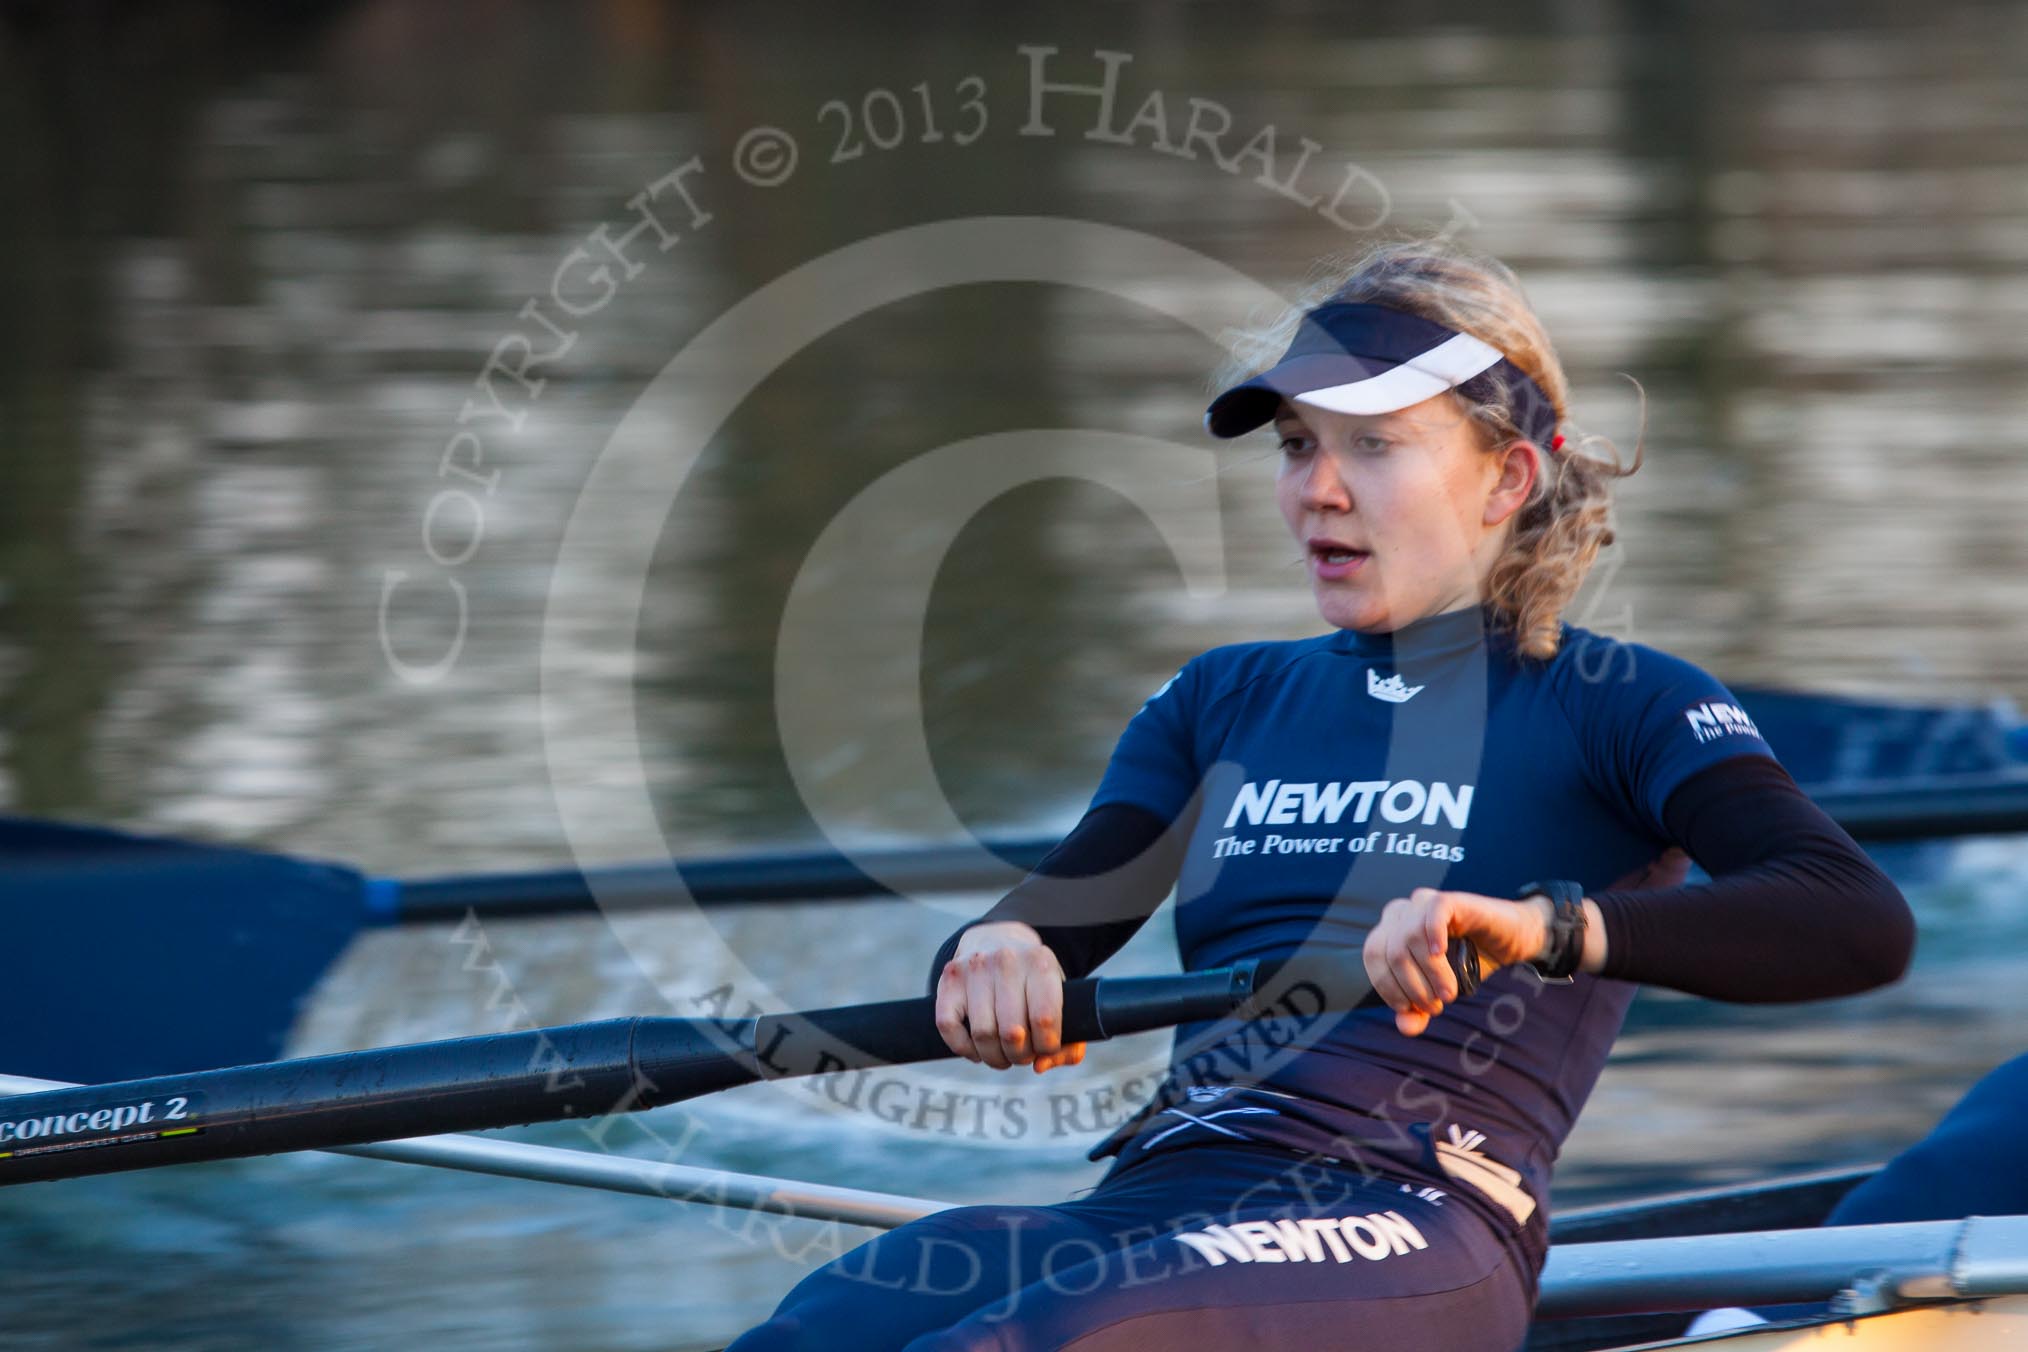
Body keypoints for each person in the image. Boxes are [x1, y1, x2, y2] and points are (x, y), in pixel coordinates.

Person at [728, 239, 1916, 1351]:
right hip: (1156, 1195)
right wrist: (999, 952)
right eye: (1299, 445)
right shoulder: (1223, 698)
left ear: (1507, 478)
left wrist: (1546, 928)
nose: (1319, 491)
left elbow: (1852, 916)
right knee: (824, 1320)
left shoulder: (1617, 701)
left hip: (1412, 1205)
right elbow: (1059, 914)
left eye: (1375, 446)